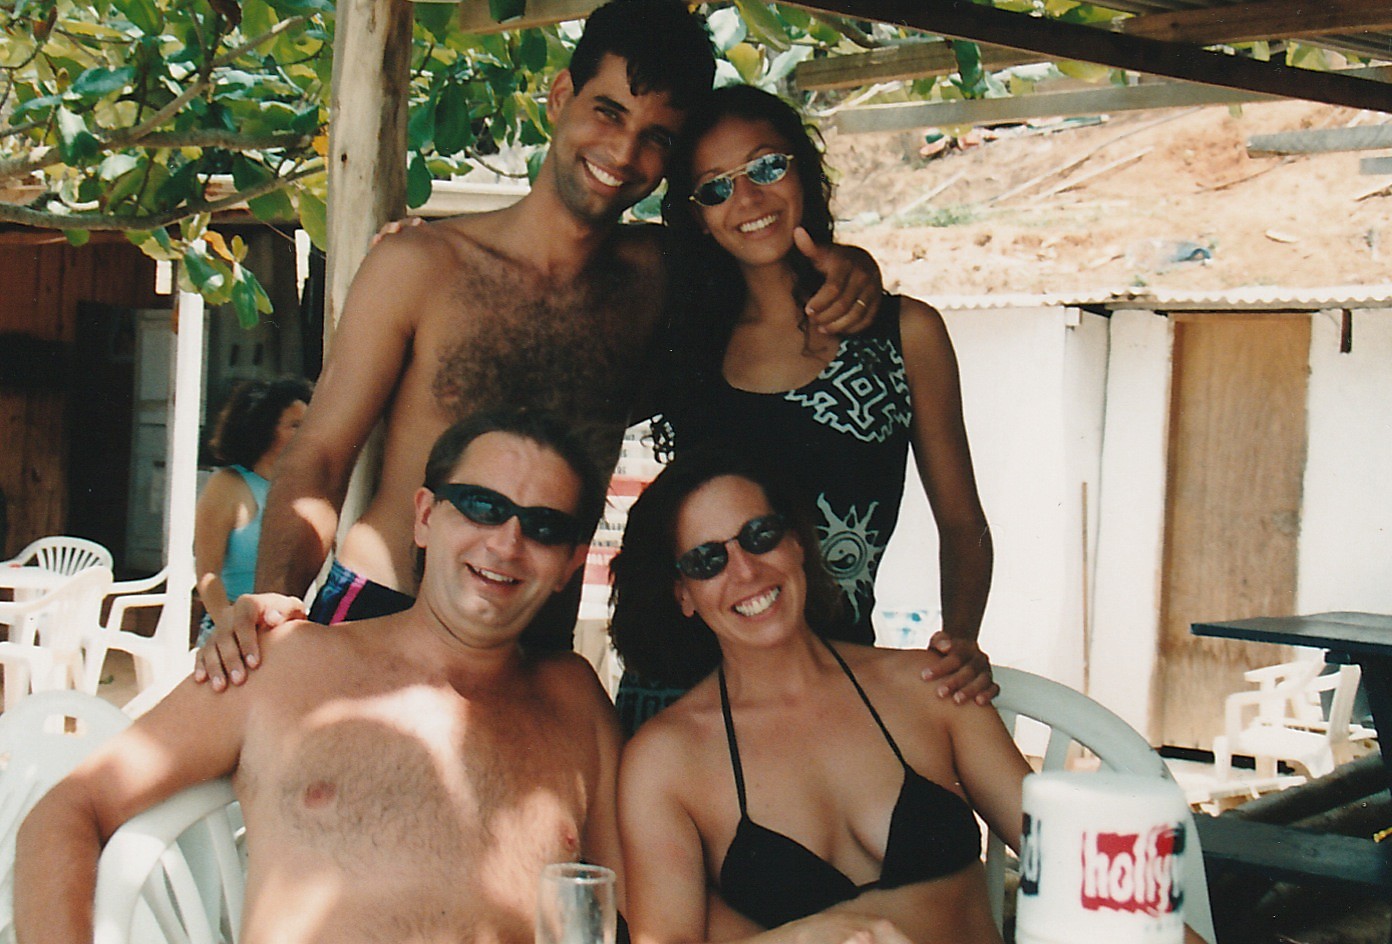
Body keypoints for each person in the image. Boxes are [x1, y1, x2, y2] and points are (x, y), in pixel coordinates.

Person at [195, 0, 883, 690]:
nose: (623, 153)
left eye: (656, 137)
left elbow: (764, 257)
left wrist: (855, 267)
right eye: (608, 112)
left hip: (534, 646)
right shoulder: (421, 266)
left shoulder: (661, 277)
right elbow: (320, 453)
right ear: (559, 97)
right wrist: (273, 599)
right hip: (386, 611)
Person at [15, 408, 623, 944]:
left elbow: (640, 912)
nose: (507, 543)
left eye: (545, 527)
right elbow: (68, 809)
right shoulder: (283, 662)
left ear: (571, 563)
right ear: (424, 517)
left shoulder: (574, 703)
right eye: (481, 507)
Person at [615, 85, 995, 733]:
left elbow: (963, 525)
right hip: (680, 697)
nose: (747, 199)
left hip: (834, 691)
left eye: (766, 166)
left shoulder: (904, 334)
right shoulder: (683, 339)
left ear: (805, 172)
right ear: (696, 216)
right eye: (715, 187)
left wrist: (960, 638)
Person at [610, 448, 1030, 944]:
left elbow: (1065, 850)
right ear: (683, 593)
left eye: (760, 536)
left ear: (796, 542)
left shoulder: (930, 683)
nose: (745, 572)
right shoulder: (666, 760)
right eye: (707, 561)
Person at [193, 377, 313, 645]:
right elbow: (207, 572)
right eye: (295, 425)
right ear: (264, 430)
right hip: (236, 629)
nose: (305, 434)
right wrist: (230, 627)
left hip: (287, 632)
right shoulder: (228, 485)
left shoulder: (301, 487)